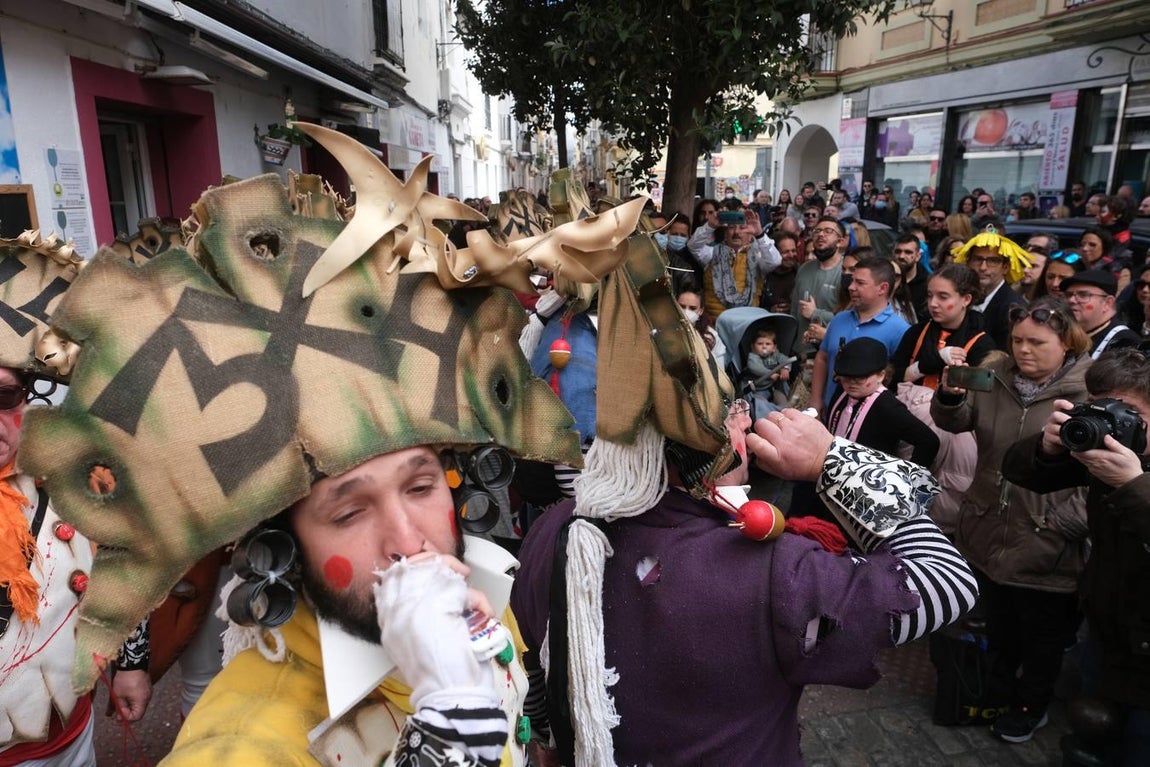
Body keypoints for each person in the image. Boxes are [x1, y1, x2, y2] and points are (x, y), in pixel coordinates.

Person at [18, 124, 646, 767]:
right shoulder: (243, 743)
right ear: (284, 543)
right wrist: (448, 738)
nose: (409, 541)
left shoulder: (481, 602)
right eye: (348, 511)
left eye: (420, 485)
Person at [511, 222, 978, 764]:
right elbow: (947, 584)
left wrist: (544, 739)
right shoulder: (771, 570)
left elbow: (534, 667)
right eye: (733, 414)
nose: (745, 423)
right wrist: (832, 460)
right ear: (713, 448)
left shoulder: (557, 527)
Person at [0, 234, 152, 765]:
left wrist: (131, 664)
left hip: (71, 735)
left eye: (2, 396)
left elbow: (119, 569)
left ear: (27, 396)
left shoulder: (71, 473)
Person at [931, 296, 1092, 744]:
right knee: (998, 626)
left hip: (1047, 538)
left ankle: (1031, 707)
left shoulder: (1089, 391)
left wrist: (1066, 521)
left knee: (1042, 637)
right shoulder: (997, 375)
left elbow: (1103, 472)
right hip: (987, 523)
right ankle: (997, 693)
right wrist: (950, 397)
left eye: (1037, 342)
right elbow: (958, 421)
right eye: (1018, 339)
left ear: (1066, 342)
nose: (1023, 350)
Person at [1001, 347, 1150, 765]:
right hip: (1104, 634)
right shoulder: (1112, 450)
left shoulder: (1125, 468)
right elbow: (1017, 471)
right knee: (1093, 732)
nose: (1110, 420)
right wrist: (1047, 448)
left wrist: (1132, 484)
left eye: (1128, 412)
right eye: (1101, 407)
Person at [810, 255, 911, 417]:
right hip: (829, 413)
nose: (851, 287)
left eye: (860, 283)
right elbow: (822, 358)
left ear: (882, 288)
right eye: (852, 281)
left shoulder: (900, 330)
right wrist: (816, 400)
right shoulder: (839, 319)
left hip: (869, 420)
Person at [826, 337, 938, 467]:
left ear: (881, 375)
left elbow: (929, 441)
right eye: (846, 376)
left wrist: (909, 475)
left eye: (860, 377)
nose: (851, 383)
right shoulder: (842, 390)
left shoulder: (887, 406)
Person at [892, 263, 996, 390]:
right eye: (930, 295)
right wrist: (923, 365)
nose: (933, 303)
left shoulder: (982, 344)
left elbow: (978, 394)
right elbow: (893, 378)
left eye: (943, 297)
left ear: (966, 299)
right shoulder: (917, 332)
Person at [687, 207, 782, 317]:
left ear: (750, 234)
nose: (736, 232)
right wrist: (710, 226)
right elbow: (693, 246)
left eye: (742, 228)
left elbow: (775, 261)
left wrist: (760, 235)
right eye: (732, 227)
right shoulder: (712, 253)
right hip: (715, 321)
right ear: (725, 233)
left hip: (747, 321)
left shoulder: (758, 256)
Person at [953, 228, 1030, 351]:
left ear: (1005, 267)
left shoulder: (1013, 307)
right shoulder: (958, 296)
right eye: (978, 259)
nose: (983, 267)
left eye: (992, 261)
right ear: (968, 262)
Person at [1060, 271, 1142, 358]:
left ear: (1107, 303)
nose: (1071, 300)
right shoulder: (1063, 333)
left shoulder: (1124, 342)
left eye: (1083, 295)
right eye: (1068, 295)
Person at [745, 328, 790, 412]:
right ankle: (766, 411)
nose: (764, 346)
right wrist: (770, 374)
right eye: (760, 344)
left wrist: (785, 368)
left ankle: (785, 409)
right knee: (759, 402)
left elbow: (786, 360)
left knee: (783, 400)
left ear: (774, 348)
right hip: (757, 389)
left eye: (768, 344)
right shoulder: (753, 356)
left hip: (772, 387)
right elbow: (755, 367)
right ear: (753, 347)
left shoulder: (776, 355)